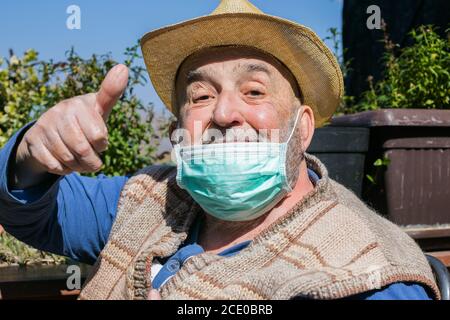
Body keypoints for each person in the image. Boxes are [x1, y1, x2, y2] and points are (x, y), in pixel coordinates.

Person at [0, 0, 439, 300]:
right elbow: (30, 210)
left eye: (253, 91)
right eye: (201, 96)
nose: (225, 113)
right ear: (178, 128)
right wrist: (32, 154)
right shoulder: (146, 199)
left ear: (302, 127)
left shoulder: (371, 273)